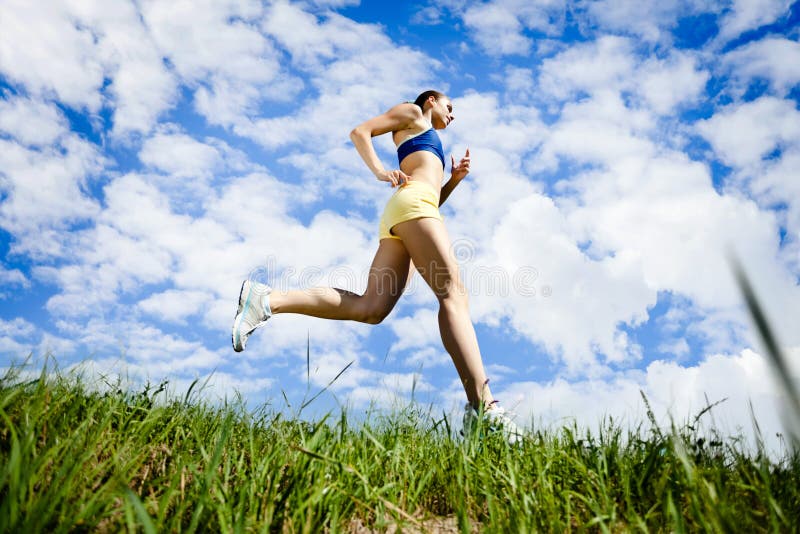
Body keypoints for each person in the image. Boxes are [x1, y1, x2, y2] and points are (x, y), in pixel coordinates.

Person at [232, 90, 521, 443]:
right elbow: (360, 131)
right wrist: (381, 171)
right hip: (412, 208)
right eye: (450, 106)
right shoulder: (414, 113)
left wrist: (454, 181)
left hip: (408, 211)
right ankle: (484, 409)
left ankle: (267, 300)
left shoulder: (427, 142)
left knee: (372, 308)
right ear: (431, 100)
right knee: (454, 297)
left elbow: (430, 196)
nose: (453, 115)